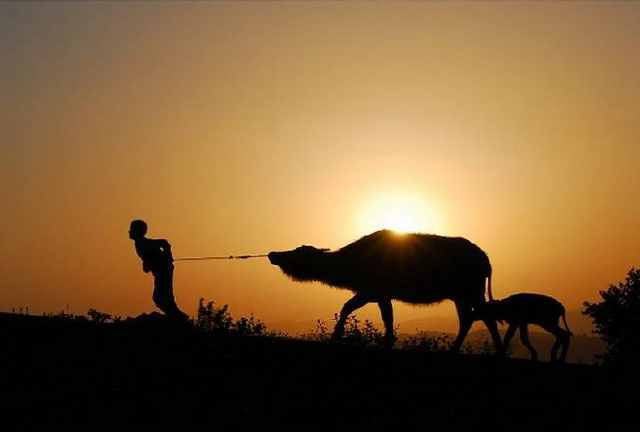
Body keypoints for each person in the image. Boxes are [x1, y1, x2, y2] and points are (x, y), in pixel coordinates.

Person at [129, 219, 189, 321]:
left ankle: (179, 318)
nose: (129, 231)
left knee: (160, 297)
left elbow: (164, 243)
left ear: (138, 231)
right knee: (162, 297)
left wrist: (169, 256)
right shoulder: (140, 244)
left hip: (164, 270)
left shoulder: (144, 242)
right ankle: (178, 317)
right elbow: (148, 256)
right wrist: (146, 265)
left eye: (132, 229)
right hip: (160, 272)